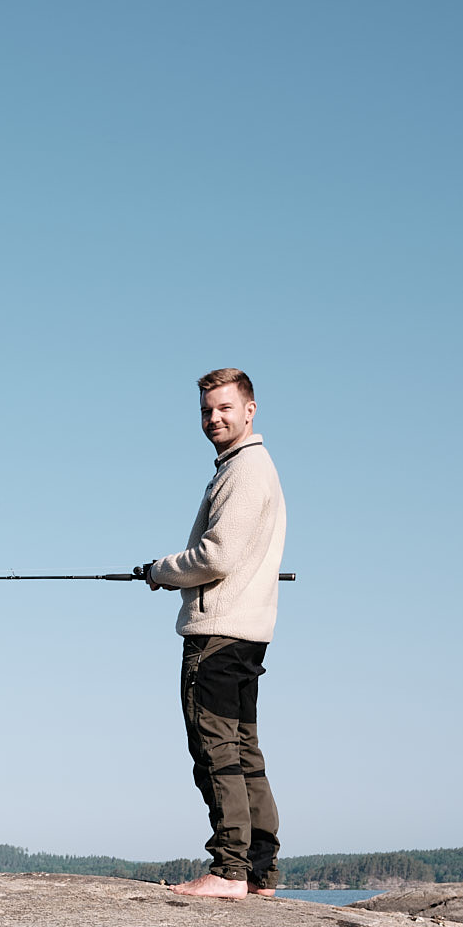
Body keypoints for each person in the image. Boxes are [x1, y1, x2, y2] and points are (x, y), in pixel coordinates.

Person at [136, 370, 287, 900]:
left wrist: (160, 570)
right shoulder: (249, 469)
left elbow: (215, 555)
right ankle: (261, 874)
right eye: (206, 411)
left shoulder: (245, 471)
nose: (214, 419)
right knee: (244, 750)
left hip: (219, 635)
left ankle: (228, 872)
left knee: (216, 750)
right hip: (247, 634)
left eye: (224, 408)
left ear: (250, 410)